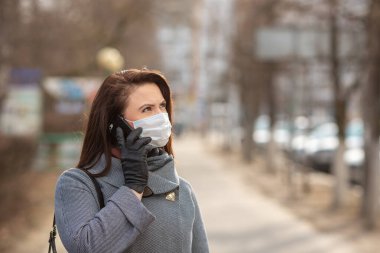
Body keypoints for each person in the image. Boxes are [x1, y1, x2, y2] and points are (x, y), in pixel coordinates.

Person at [54, 68, 209, 253]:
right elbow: (86, 248)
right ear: (116, 125)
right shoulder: (77, 184)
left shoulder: (182, 189)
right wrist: (133, 189)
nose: (160, 116)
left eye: (162, 106)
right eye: (147, 109)